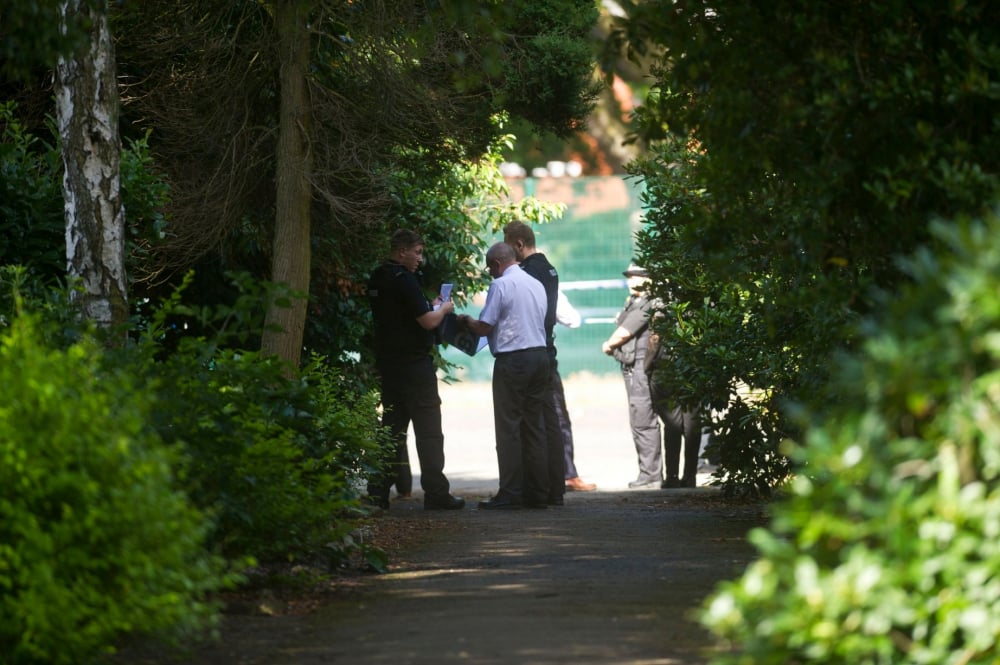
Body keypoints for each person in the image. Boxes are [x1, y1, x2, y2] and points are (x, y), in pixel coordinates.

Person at [367, 229, 465, 511]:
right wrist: (443, 309)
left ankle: (377, 494)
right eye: (417, 252)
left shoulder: (378, 277)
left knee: (392, 430)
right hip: (414, 367)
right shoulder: (404, 280)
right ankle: (436, 493)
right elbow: (427, 322)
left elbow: (403, 315)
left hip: (390, 365)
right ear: (401, 252)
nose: (420, 259)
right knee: (429, 431)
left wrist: (430, 307)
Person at [503, 221, 596, 502]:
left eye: (508, 245)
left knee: (532, 423)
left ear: (519, 244)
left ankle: (535, 488)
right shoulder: (549, 269)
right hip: (547, 351)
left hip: (530, 350)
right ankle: (555, 486)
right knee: (552, 420)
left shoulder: (526, 273)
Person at [458, 242, 550, 509]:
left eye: (490, 269)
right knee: (534, 426)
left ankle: (510, 493)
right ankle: (538, 493)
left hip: (513, 360)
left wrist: (464, 321)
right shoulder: (535, 283)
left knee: (508, 428)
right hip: (539, 356)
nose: (491, 274)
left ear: (497, 264)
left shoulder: (501, 285)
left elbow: (485, 327)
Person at [601, 262, 663, 488]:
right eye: (629, 276)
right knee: (639, 420)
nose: (630, 280)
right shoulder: (635, 302)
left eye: (635, 276)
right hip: (632, 367)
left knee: (643, 420)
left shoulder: (646, 302)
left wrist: (609, 344)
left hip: (639, 369)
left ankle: (651, 476)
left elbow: (624, 332)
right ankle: (647, 474)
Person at [644, 316, 702, 488]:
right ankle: (690, 476)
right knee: (692, 425)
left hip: (664, 374)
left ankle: (672, 476)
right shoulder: (697, 314)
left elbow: (652, 347)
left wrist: (647, 370)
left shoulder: (661, 312)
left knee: (672, 425)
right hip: (692, 372)